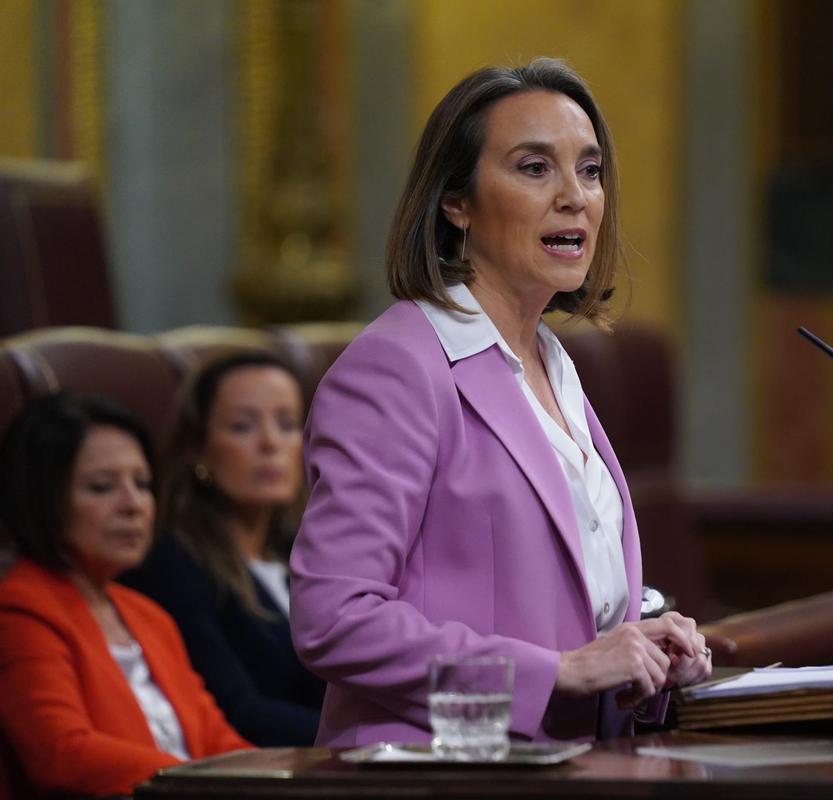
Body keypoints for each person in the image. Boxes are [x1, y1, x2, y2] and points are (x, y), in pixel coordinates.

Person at [290, 57, 712, 748]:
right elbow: (332, 618)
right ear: (456, 201)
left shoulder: (555, 363)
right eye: (534, 167)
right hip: (440, 770)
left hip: (567, 766)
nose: (575, 196)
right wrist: (559, 671)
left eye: (591, 169)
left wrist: (642, 645)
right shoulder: (395, 367)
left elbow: (542, 597)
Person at [0, 394, 249, 798]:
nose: (133, 505)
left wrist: (281, 779)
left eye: (142, 484)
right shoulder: (21, 609)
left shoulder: (148, 614)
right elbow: (61, 753)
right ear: (43, 500)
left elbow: (216, 739)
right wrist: (203, 780)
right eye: (102, 487)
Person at [122, 352, 324, 746]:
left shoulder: (305, 549)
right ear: (198, 448)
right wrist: (365, 738)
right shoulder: (173, 563)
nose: (270, 443)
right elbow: (237, 710)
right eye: (242, 426)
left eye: (287, 424)